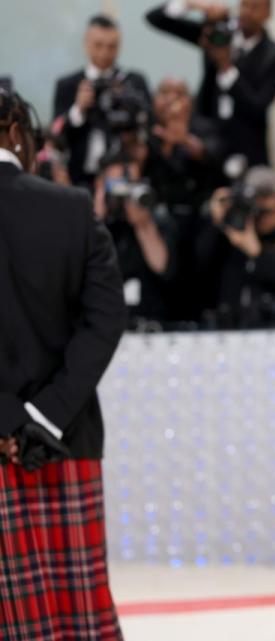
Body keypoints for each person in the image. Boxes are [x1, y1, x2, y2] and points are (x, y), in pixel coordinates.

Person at [0, 89, 126, 640]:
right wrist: (43, 416)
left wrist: (6, 419)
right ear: (13, 130)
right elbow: (105, 319)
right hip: (63, 439)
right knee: (76, 616)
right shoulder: (71, 208)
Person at [145, 0, 275, 167]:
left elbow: (257, 106)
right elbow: (156, 19)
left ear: (268, 13)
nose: (247, 12)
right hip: (207, 145)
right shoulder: (217, 35)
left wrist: (225, 66)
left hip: (246, 148)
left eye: (255, 7)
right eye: (244, 5)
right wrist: (190, 5)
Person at [144, 76, 225, 323]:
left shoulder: (203, 126)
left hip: (197, 219)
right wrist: (165, 146)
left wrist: (184, 140)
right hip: (157, 219)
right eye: (165, 93)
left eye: (179, 94)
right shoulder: (147, 129)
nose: (172, 100)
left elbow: (214, 157)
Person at [197, 166, 275, 328]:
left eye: (267, 212)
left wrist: (256, 253)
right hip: (233, 323)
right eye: (257, 211)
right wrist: (218, 223)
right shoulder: (238, 226)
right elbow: (202, 265)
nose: (260, 218)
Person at [52, 14, 151, 189]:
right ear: (86, 43)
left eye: (112, 46)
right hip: (78, 176)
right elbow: (57, 134)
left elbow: (148, 124)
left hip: (124, 173)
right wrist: (79, 108)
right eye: (98, 45)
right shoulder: (69, 84)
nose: (105, 52)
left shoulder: (133, 81)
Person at [94, 151, 179, 328]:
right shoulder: (90, 226)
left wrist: (143, 224)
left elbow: (162, 266)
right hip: (101, 327)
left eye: (131, 185)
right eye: (117, 186)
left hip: (148, 323)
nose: (123, 194)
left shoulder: (158, 221)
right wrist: (95, 220)